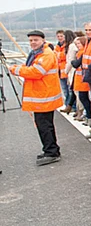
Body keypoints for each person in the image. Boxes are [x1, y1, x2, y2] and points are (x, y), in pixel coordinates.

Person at [9, 30, 62, 165]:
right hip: (42, 95)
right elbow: (31, 68)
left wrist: (15, 69)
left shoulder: (46, 55)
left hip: (44, 96)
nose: (33, 43)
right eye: (31, 40)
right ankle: (50, 150)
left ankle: (52, 152)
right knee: (44, 125)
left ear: (43, 40)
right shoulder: (38, 53)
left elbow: (36, 72)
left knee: (44, 125)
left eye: (35, 40)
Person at [58, 30, 77, 114]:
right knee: (69, 90)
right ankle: (69, 106)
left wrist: (66, 70)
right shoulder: (63, 46)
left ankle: (72, 106)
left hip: (70, 71)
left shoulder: (71, 46)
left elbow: (70, 59)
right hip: (66, 70)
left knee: (71, 90)